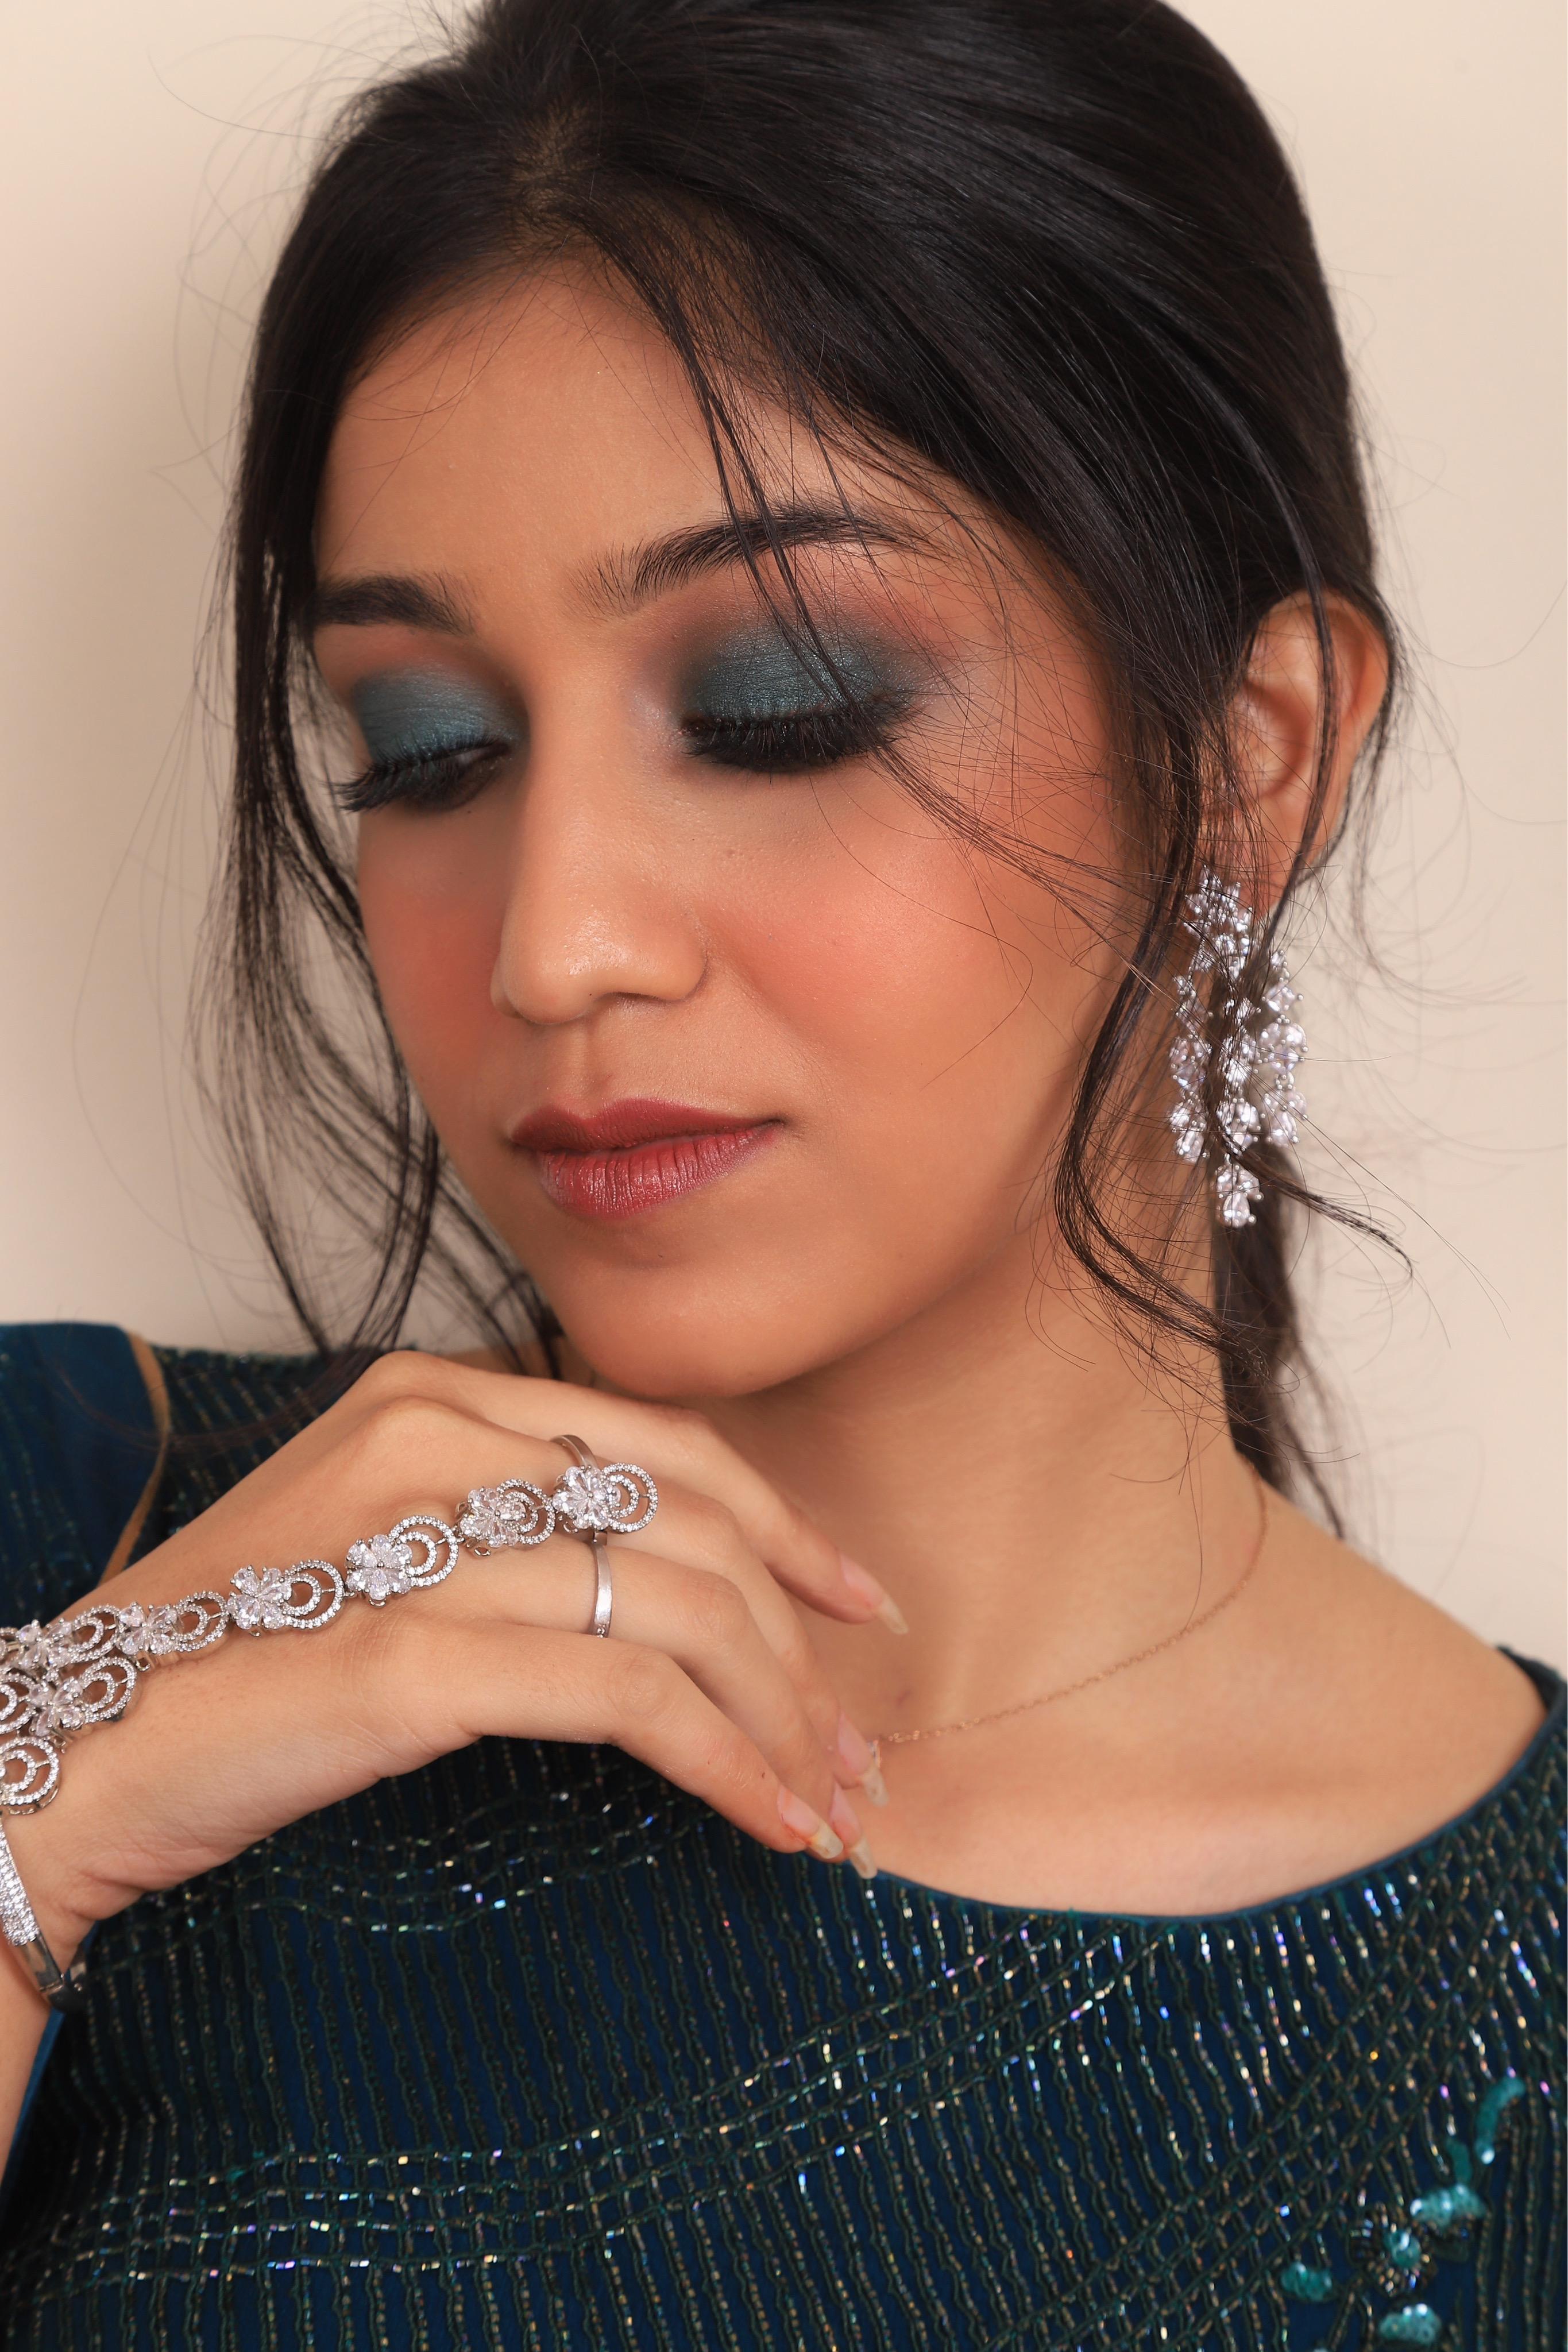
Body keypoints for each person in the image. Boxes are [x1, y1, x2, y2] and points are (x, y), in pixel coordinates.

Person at [0, 1, 1559, 2343]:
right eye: (426, 748)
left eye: (777, 712)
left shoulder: (1518, 2003)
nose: (552, 945)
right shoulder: (83, 1549)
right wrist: (50, 1793)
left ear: (1251, 760)